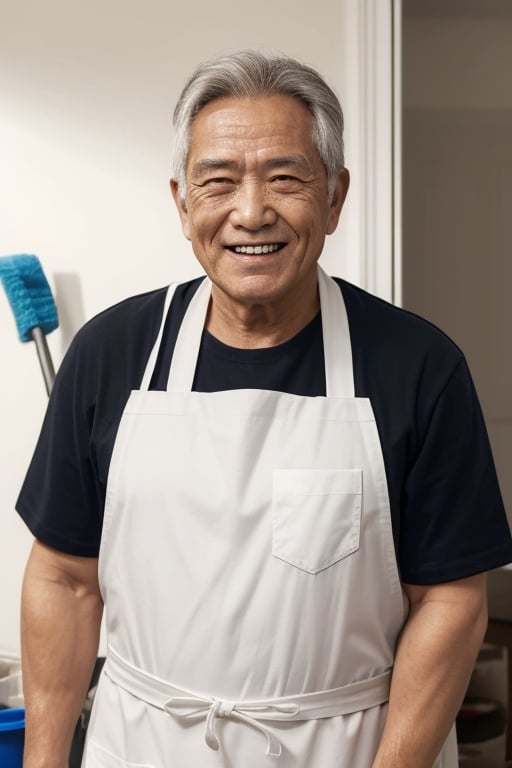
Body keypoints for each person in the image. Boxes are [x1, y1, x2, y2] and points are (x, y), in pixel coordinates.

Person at [18, 50, 512, 768]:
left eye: (286, 177)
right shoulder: (112, 355)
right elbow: (63, 579)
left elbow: (451, 599)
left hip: (347, 749)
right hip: (144, 745)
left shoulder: (419, 367)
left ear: (336, 197)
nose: (251, 212)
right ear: (182, 203)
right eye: (218, 181)